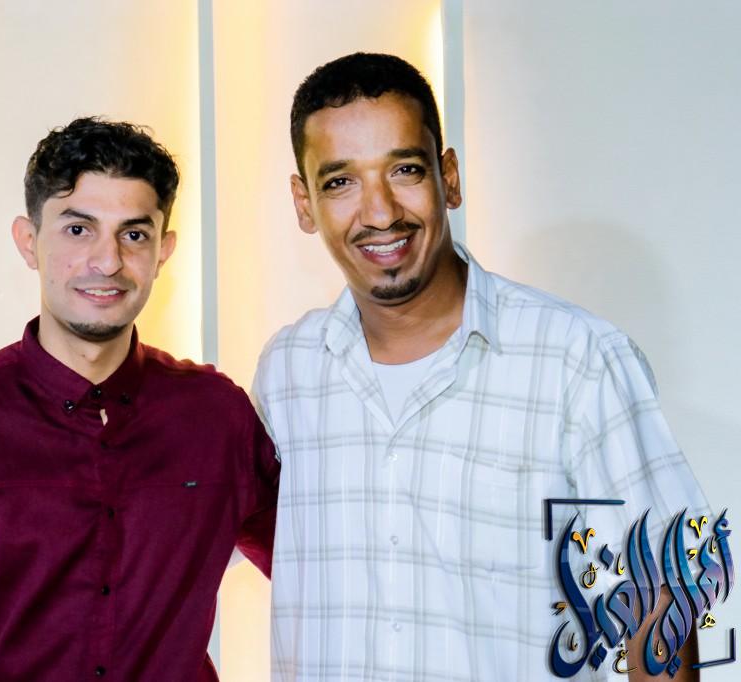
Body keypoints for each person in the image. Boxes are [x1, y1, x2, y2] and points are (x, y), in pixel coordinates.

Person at [253, 52, 710, 681]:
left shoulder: (577, 358)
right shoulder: (287, 372)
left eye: (405, 170)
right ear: (304, 204)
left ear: (449, 177)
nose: (380, 212)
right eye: (340, 182)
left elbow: (658, 603)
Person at [0, 117, 279, 680]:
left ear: (164, 251)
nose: (107, 261)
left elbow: (316, 564)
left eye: (134, 235)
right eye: (79, 230)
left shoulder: (217, 418)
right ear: (29, 241)